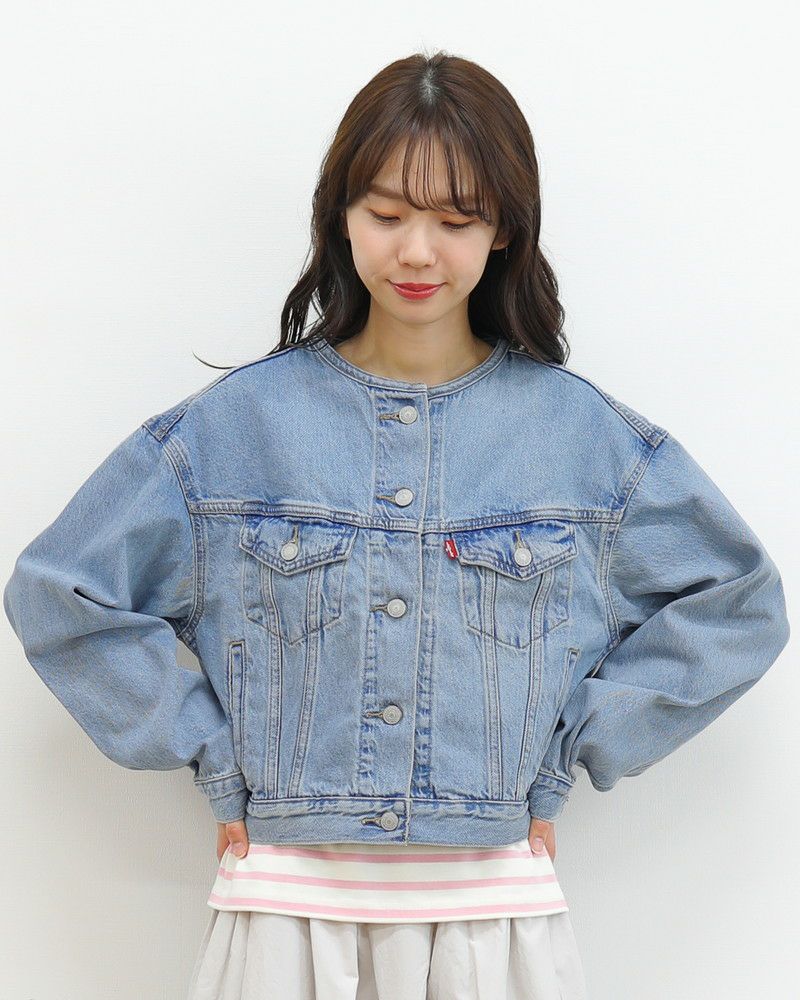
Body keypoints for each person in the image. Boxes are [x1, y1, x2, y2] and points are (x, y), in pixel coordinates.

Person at [3, 50, 790, 1000]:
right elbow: (60, 592)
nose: (418, 252)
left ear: (504, 230)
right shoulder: (234, 430)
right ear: (340, 216)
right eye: (385, 214)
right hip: (285, 908)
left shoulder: (583, 440)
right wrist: (209, 753)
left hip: (495, 913)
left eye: (457, 221)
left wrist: (567, 756)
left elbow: (740, 604)